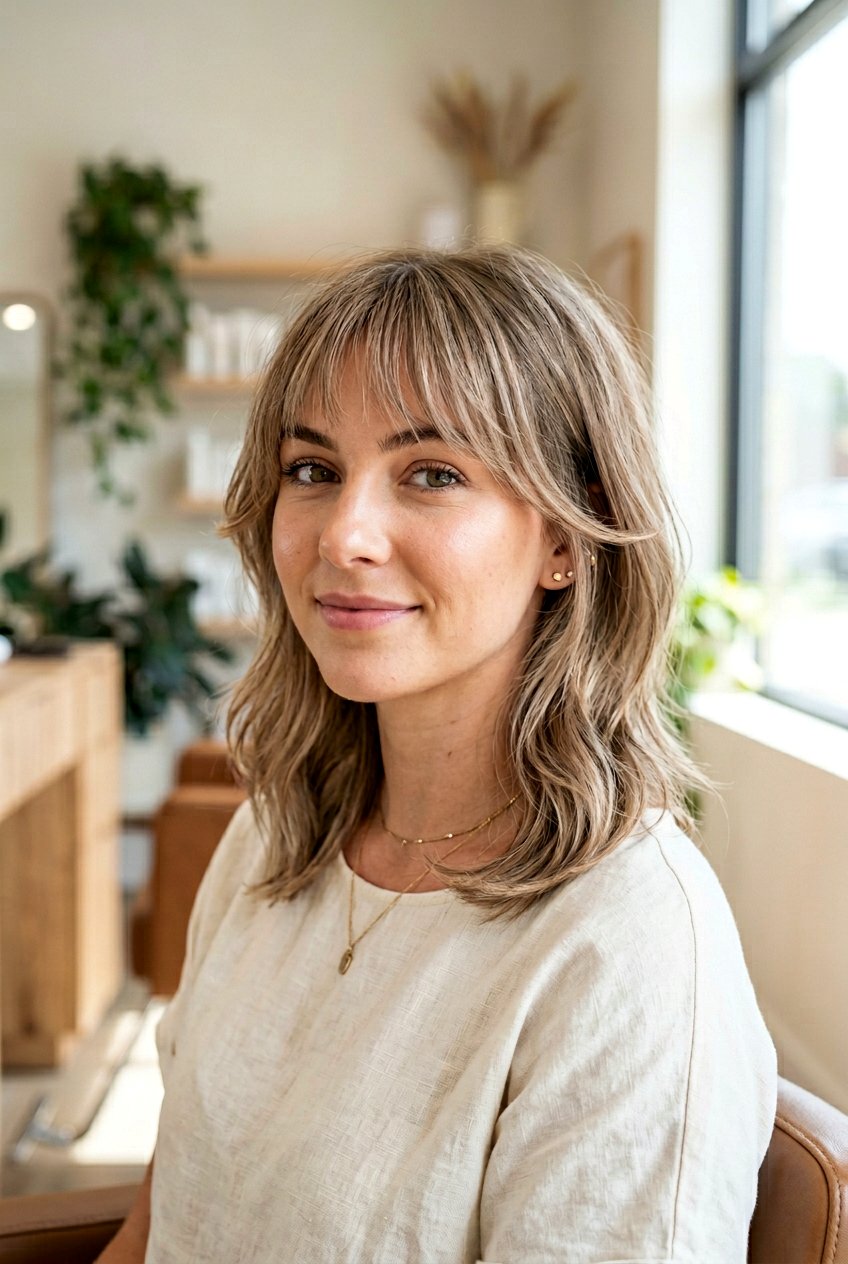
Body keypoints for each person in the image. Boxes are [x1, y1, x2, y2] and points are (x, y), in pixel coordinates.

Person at [101, 245, 777, 1263]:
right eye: (312, 470)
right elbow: (162, 1226)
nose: (345, 534)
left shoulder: (625, 946)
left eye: (430, 473)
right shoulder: (268, 841)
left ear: (564, 534)